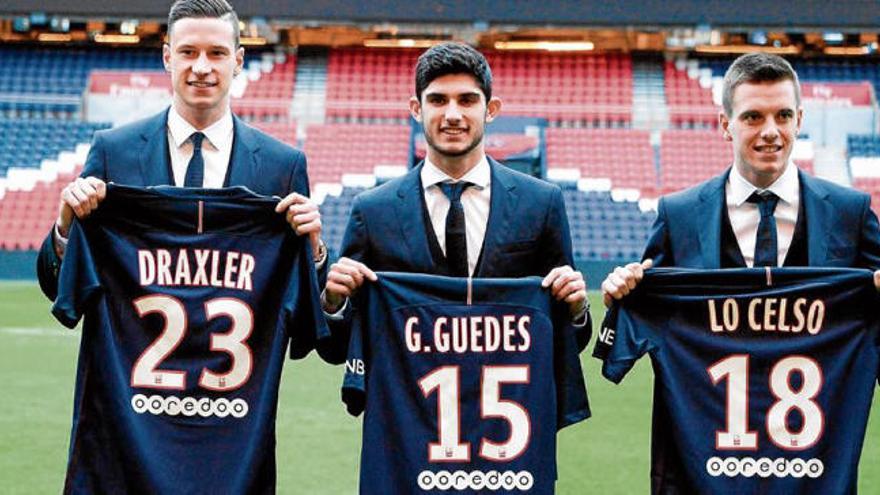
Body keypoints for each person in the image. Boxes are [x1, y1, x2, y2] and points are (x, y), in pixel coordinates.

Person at [36, 0, 324, 302]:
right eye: (188, 52)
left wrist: (315, 251)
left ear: (238, 61)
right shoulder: (113, 152)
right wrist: (64, 231)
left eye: (217, 53)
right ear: (167, 57)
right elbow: (59, 291)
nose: (201, 68)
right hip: (133, 349)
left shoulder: (282, 166)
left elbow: (305, 311)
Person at [321, 42, 589, 360]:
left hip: (506, 403)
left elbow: (568, 338)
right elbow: (336, 350)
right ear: (416, 108)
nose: (452, 115)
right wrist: (333, 305)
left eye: (466, 100)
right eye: (437, 100)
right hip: (407, 406)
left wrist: (577, 310)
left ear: (490, 109)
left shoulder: (541, 203)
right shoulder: (373, 210)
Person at [602, 52, 880, 304]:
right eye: (753, 117)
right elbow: (652, 312)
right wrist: (624, 293)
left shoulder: (851, 212)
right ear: (726, 125)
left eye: (783, 115)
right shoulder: (678, 215)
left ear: (798, 121)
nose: (771, 130)